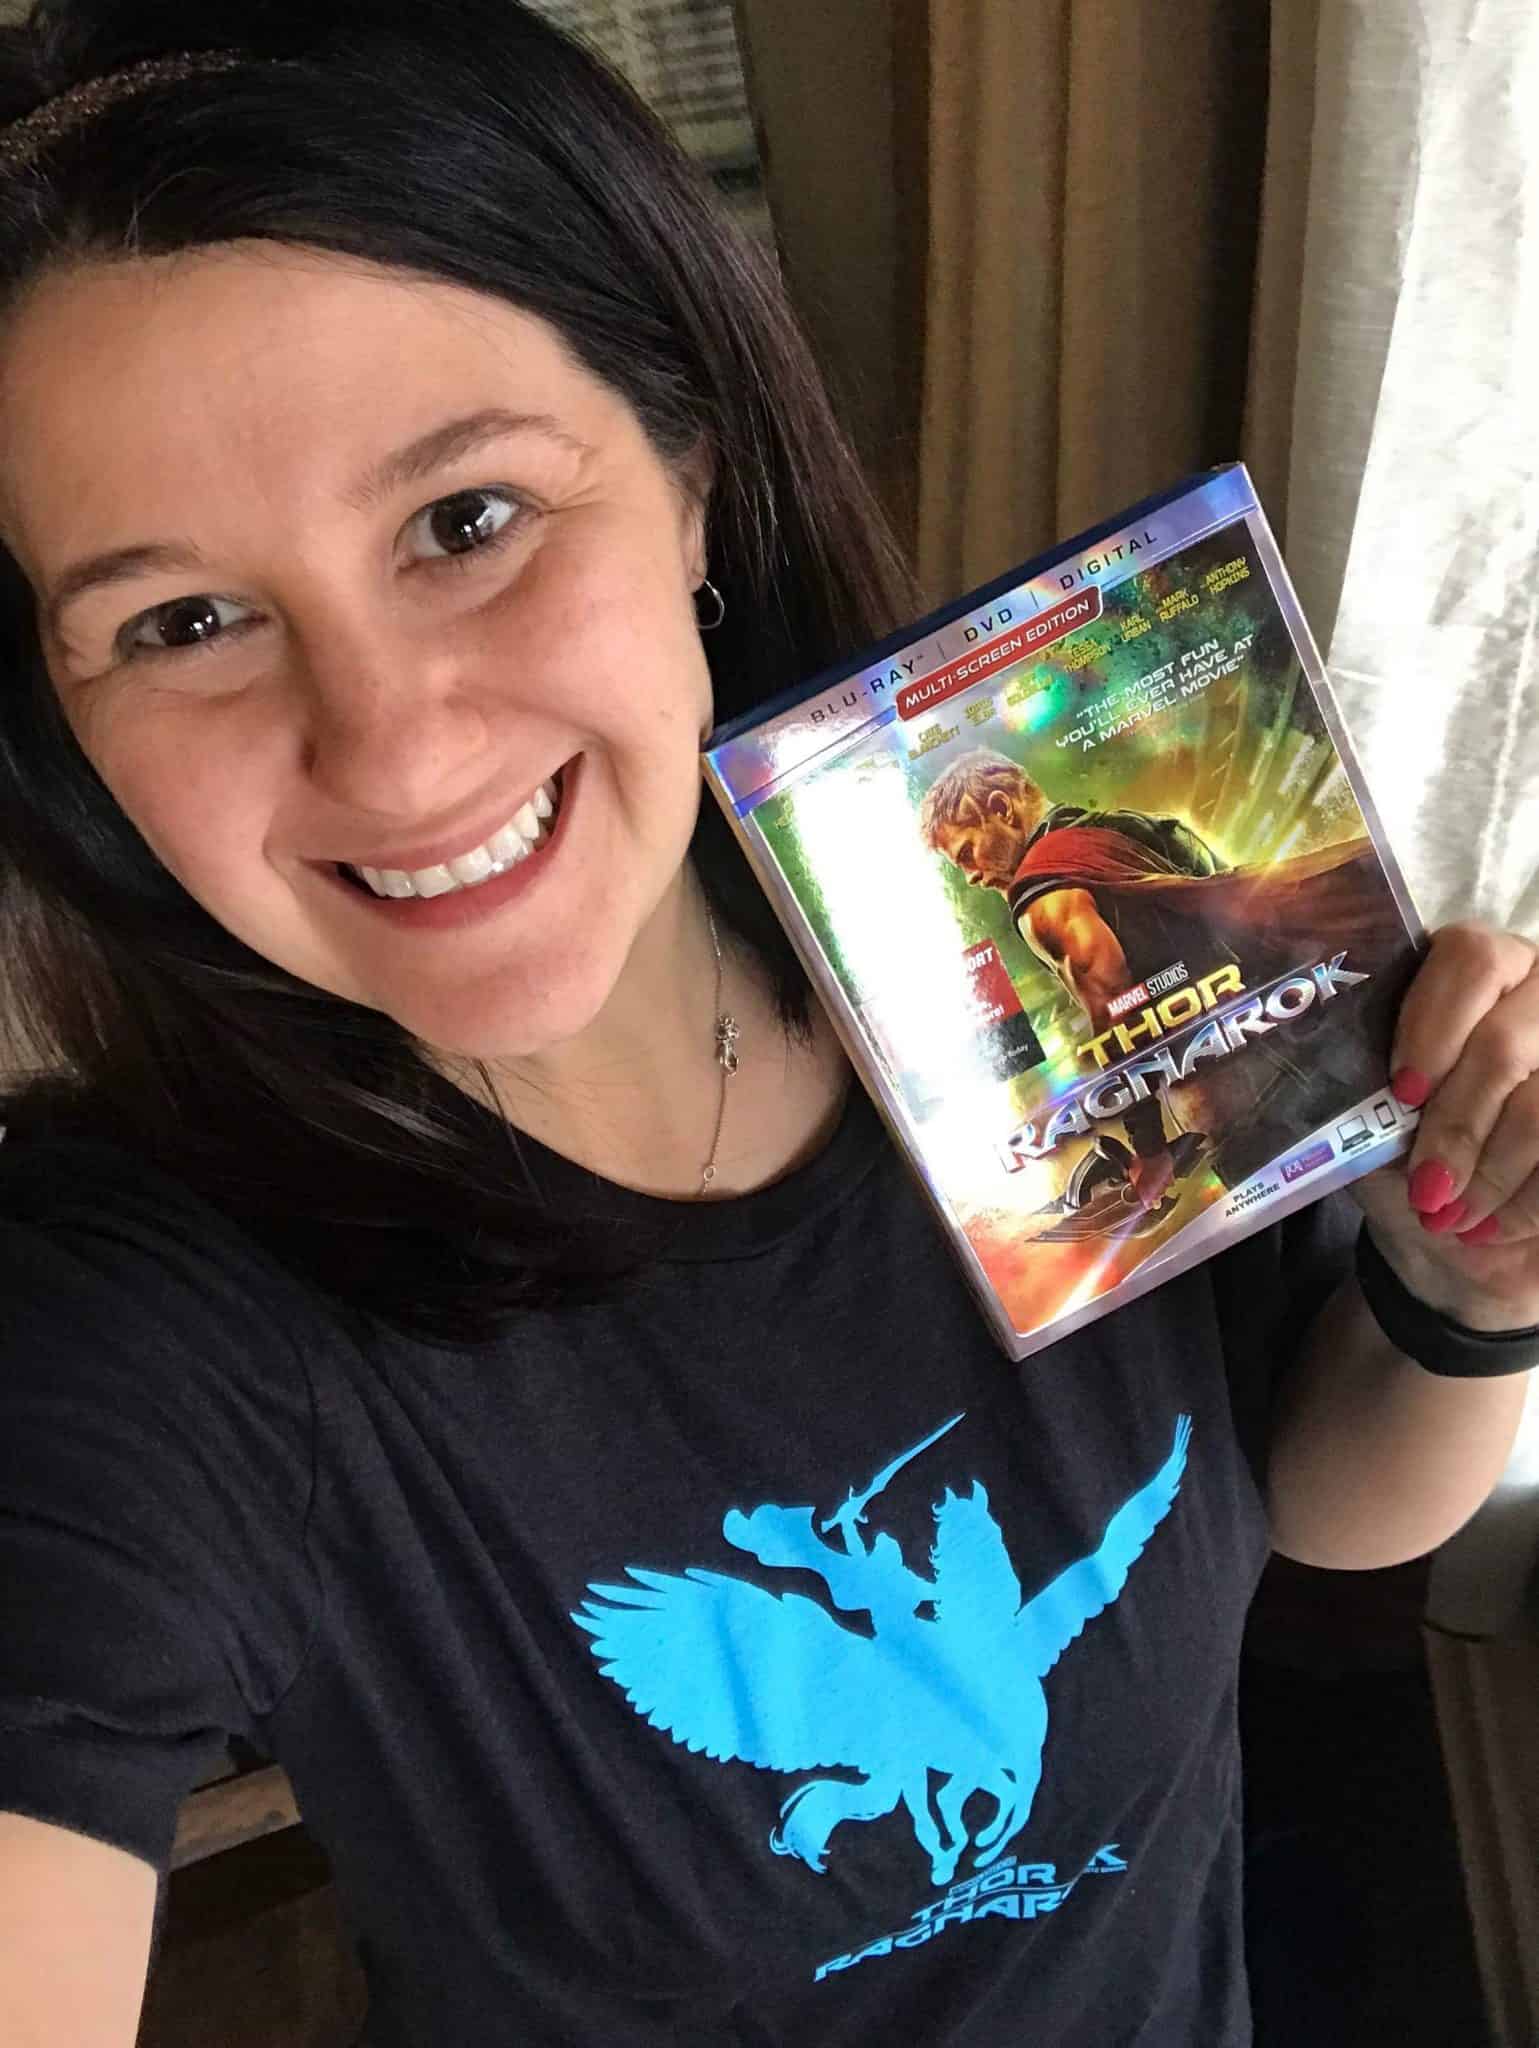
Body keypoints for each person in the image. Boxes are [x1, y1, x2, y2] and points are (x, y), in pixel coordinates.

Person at [0, 6, 1535, 2045]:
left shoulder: (1013, 953)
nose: (387, 747)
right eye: (182, 621)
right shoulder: (140, 1322)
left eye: (465, 519)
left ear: (692, 481)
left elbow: (1316, 1504)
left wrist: (1462, 1280)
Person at [920, 747, 1413, 1207]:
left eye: (966, 853)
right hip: (1320, 1039)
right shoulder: (1139, 827)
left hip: (1242, 1106)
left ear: (1002, 809)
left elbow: (1117, 1013)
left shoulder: (1044, 900)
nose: (971, 877)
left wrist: (1150, 1149)